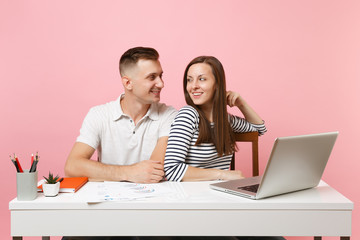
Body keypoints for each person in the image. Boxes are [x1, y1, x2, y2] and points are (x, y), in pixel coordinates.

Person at [64, 46, 177, 184]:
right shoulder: (99, 115)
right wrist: (130, 172)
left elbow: (153, 173)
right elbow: (72, 167)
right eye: (152, 77)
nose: (161, 83)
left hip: (152, 202)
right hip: (108, 202)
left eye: (161, 76)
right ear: (128, 83)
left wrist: (101, 173)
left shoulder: (169, 115)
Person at [164, 56, 267, 182]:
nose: (193, 86)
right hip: (191, 196)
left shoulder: (225, 120)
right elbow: (171, 169)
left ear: (217, 84)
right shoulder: (188, 115)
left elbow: (259, 129)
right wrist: (222, 174)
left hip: (219, 193)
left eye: (201, 79)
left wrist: (241, 104)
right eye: (189, 80)